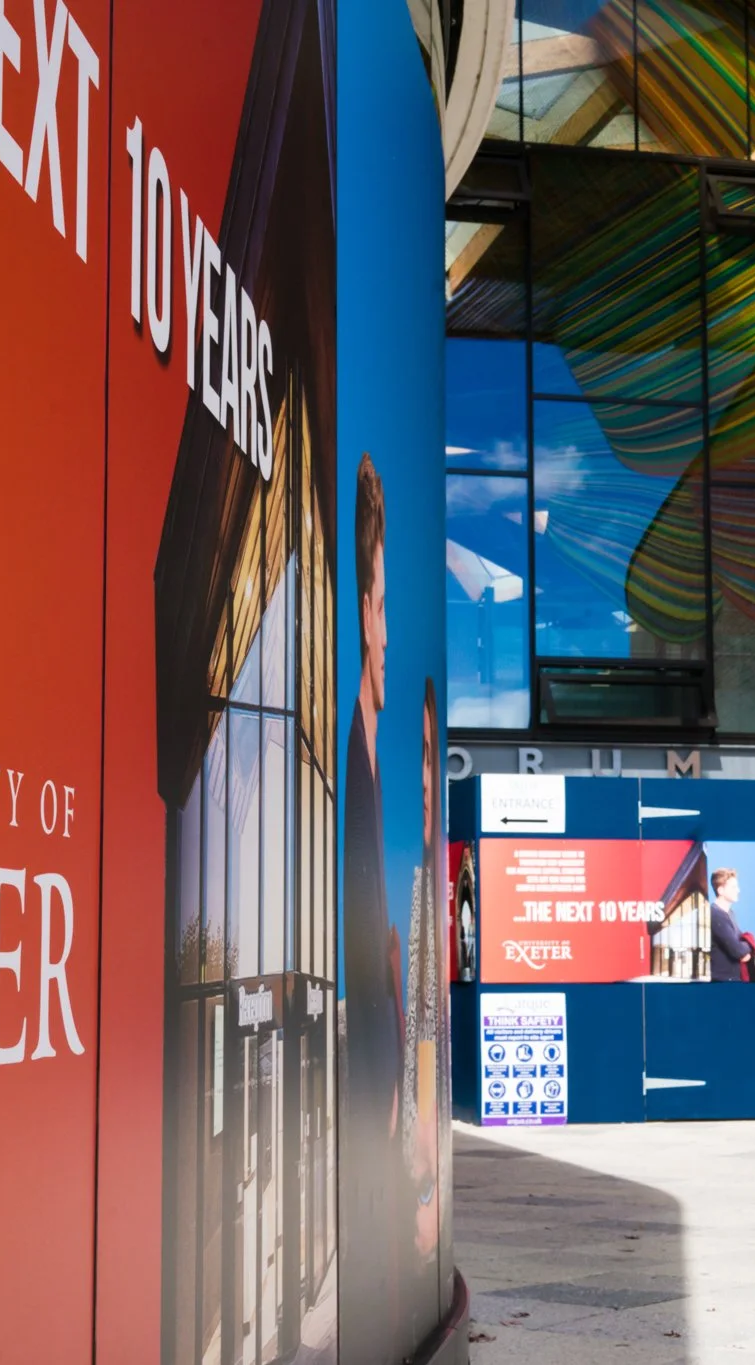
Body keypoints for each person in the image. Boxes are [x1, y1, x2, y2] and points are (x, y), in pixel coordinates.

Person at [341, 453, 404, 1334]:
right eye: (384, 611)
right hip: (368, 1014)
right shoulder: (357, 741)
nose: (389, 637)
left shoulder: (367, 742)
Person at [402, 680, 443, 1262]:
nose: (430, 783)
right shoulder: (418, 889)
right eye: (425, 761)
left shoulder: (427, 890)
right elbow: (420, 1030)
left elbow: (428, 1031)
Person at [707, 867, 754, 981]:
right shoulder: (715, 914)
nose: (738, 890)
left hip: (731, 980)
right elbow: (737, 950)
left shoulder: (730, 913)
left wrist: (746, 946)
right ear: (720, 891)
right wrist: (749, 945)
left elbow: (740, 942)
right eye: (733, 887)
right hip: (721, 982)